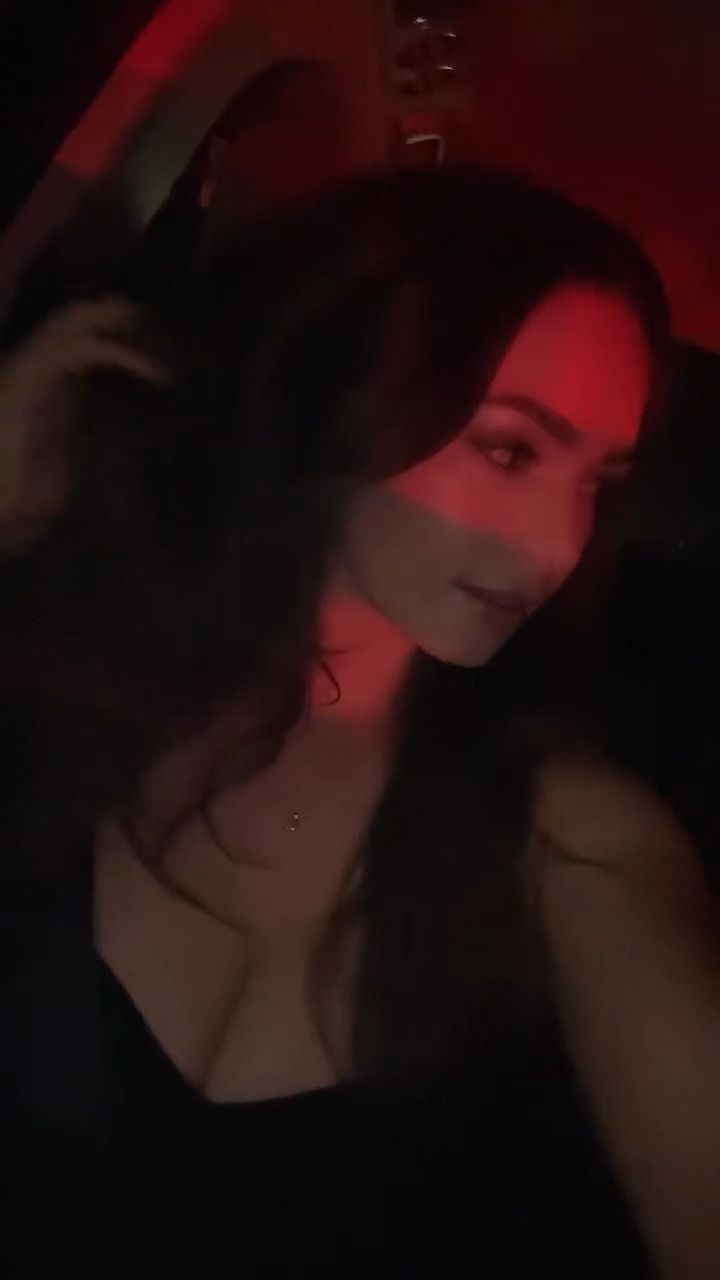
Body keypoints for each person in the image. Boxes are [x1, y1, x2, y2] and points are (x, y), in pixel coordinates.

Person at [1, 166, 719, 1276]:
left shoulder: (569, 839)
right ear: (342, 394)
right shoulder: (71, 683)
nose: (557, 543)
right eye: (511, 450)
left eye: (596, 481)